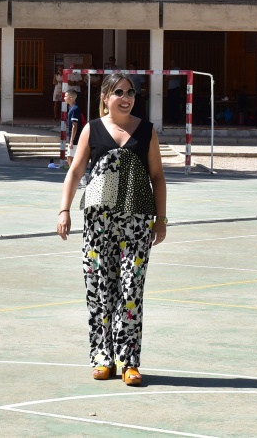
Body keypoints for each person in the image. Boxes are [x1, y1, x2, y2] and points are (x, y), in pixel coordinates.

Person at [57, 72, 167, 387]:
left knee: (131, 289)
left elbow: (157, 176)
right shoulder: (92, 129)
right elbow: (75, 171)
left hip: (137, 220)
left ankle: (129, 362)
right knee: (99, 288)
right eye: (119, 92)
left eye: (130, 92)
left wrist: (161, 218)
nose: (126, 98)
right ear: (105, 97)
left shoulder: (146, 130)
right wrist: (64, 210)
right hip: (98, 221)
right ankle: (102, 358)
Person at [64, 88, 82, 168]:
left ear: (71, 97)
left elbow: (75, 125)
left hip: (75, 138)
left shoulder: (74, 109)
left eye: (66, 96)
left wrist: (71, 141)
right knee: (70, 156)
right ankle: (74, 173)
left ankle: (74, 173)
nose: (64, 98)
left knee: (70, 157)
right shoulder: (72, 108)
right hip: (74, 137)